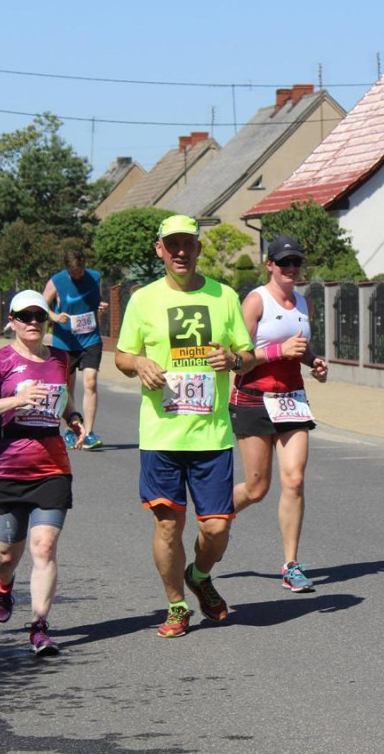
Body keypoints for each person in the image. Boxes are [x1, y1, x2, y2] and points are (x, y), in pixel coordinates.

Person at [115, 214, 255, 639]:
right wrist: (139, 363)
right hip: (161, 433)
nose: (180, 252)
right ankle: (176, 604)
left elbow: (248, 356)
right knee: (167, 526)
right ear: (160, 249)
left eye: (187, 244)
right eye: (172, 244)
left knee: (216, 527)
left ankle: (199, 574)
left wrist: (233, 360)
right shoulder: (143, 299)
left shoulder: (224, 296)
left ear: (198, 248)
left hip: (211, 434)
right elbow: (121, 356)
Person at [0, 289, 86, 656]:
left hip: (52, 467)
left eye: (39, 316)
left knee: (44, 547)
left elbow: (66, 401)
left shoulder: (61, 358)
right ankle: (3, 585)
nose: (33, 322)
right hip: (7, 468)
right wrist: (16, 400)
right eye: (25, 316)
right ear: (12, 321)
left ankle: (39, 627)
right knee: (7, 553)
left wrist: (74, 418)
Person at [229, 235, 328, 593]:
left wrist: (314, 362)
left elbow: (299, 349)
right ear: (269, 265)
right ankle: (218, 514)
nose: (291, 268)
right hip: (253, 397)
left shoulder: (304, 302)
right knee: (257, 488)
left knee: (295, 480)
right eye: (284, 262)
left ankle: (291, 565)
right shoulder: (256, 301)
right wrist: (277, 351)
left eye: (296, 262)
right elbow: (237, 360)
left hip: (292, 400)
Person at [43, 250, 108, 450]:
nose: (78, 275)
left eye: (80, 271)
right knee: (67, 387)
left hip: (90, 339)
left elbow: (95, 301)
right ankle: (71, 430)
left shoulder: (95, 277)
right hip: (65, 342)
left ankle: (89, 433)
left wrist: (101, 307)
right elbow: (42, 305)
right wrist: (55, 317)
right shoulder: (57, 281)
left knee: (91, 382)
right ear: (67, 269)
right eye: (74, 272)